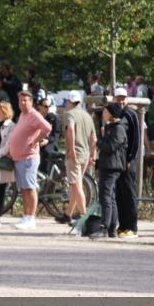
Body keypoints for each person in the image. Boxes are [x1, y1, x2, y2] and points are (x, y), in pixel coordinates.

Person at [8, 92, 52, 230]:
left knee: (30, 188)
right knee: (24, 189)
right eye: (20, 100)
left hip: (29, 157)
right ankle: (26, 217)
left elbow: (47, 128)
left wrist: (36, 140)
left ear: (31, 102)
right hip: (20, 157)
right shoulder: (22, 115)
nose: (23, 103)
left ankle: (31, 218)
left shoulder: (34, 115)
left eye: (25, 101)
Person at [56, 91, 96, 224]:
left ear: (69, 101)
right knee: (75, 185)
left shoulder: (69, 114)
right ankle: (68, 214)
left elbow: (70, 129)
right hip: (85, 154)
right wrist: (93, 154)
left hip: (75, 154)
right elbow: (93, 137)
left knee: (77, 185)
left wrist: (72, 149)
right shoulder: (87, 116)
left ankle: (84, 217)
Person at [93, 102, 127, 239]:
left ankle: (104, 227)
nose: (103, 114)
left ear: (112, 114)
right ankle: (112, 227)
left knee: (105, 197)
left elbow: (110, 147)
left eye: (106, 111)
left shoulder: (118, 129)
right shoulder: (110, 127)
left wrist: (98, 140)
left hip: (112, 166)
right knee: (110, 198)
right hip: (107, 165)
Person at [113, 88, 142, 239]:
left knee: (130, 194)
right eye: (118, 98)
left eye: (123, 98)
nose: (121, 101)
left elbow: (136, 139)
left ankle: (132, 226)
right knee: (119, 194)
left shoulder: (131, 114)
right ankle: (122, 225)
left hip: (128, 161)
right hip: (116, 162)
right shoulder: (114, 114)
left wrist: (131, 159)